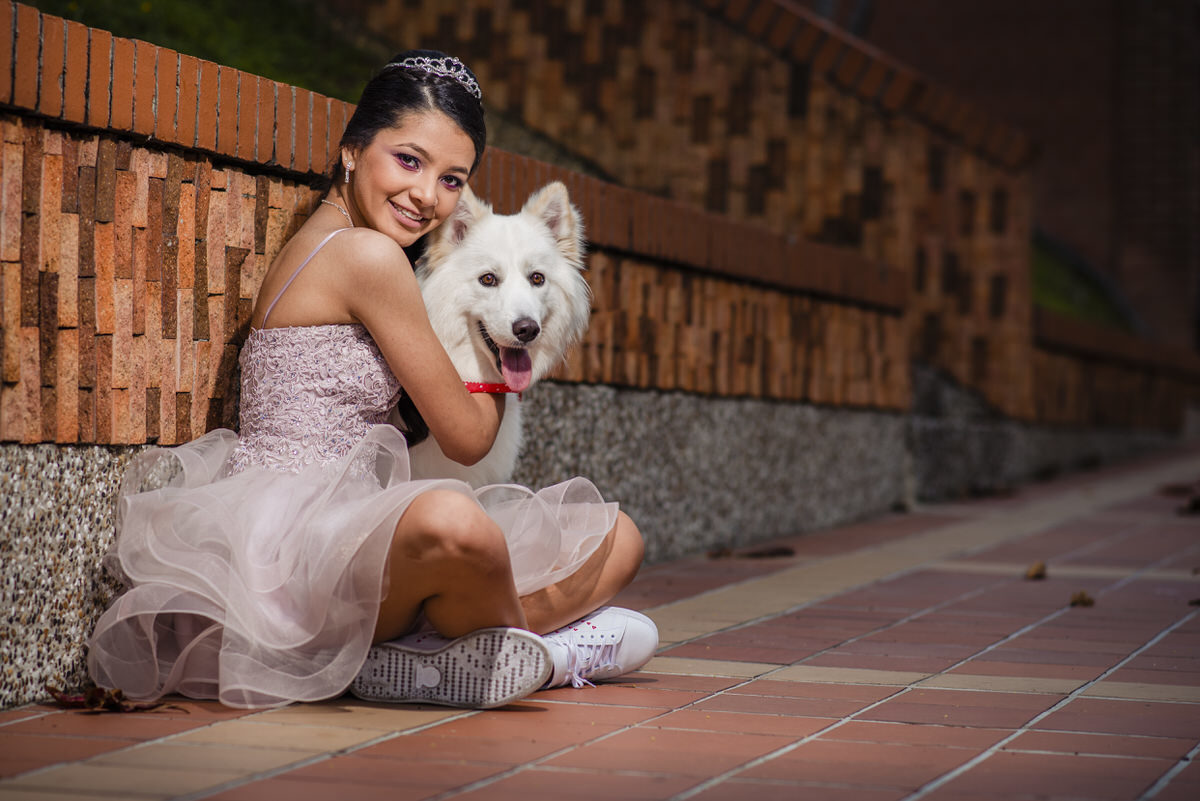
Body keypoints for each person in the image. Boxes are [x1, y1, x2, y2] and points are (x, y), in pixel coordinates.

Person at [86, 51, 657, 709]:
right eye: (408, 161)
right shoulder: (368, 257)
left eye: (451, 178)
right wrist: (507, 346)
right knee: (455, 520)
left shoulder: (334, 238)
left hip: (355, 530)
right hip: (300, 550)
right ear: (353, 148)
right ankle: (543, 654)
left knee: (618, 537)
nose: (425, 194)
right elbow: (469, 437)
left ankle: (424, 653)